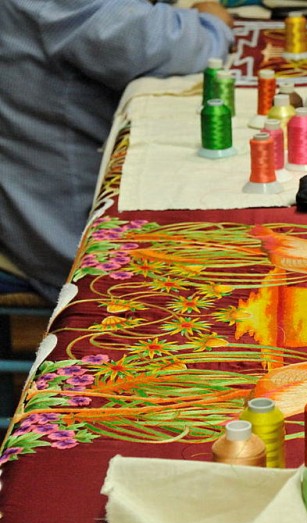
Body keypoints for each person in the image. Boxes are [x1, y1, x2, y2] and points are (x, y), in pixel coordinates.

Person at [0, 1, 234, 303]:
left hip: (37, 197)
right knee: (233, 271)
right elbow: (182, 48)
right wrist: (210, 18)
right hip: (65, 236)